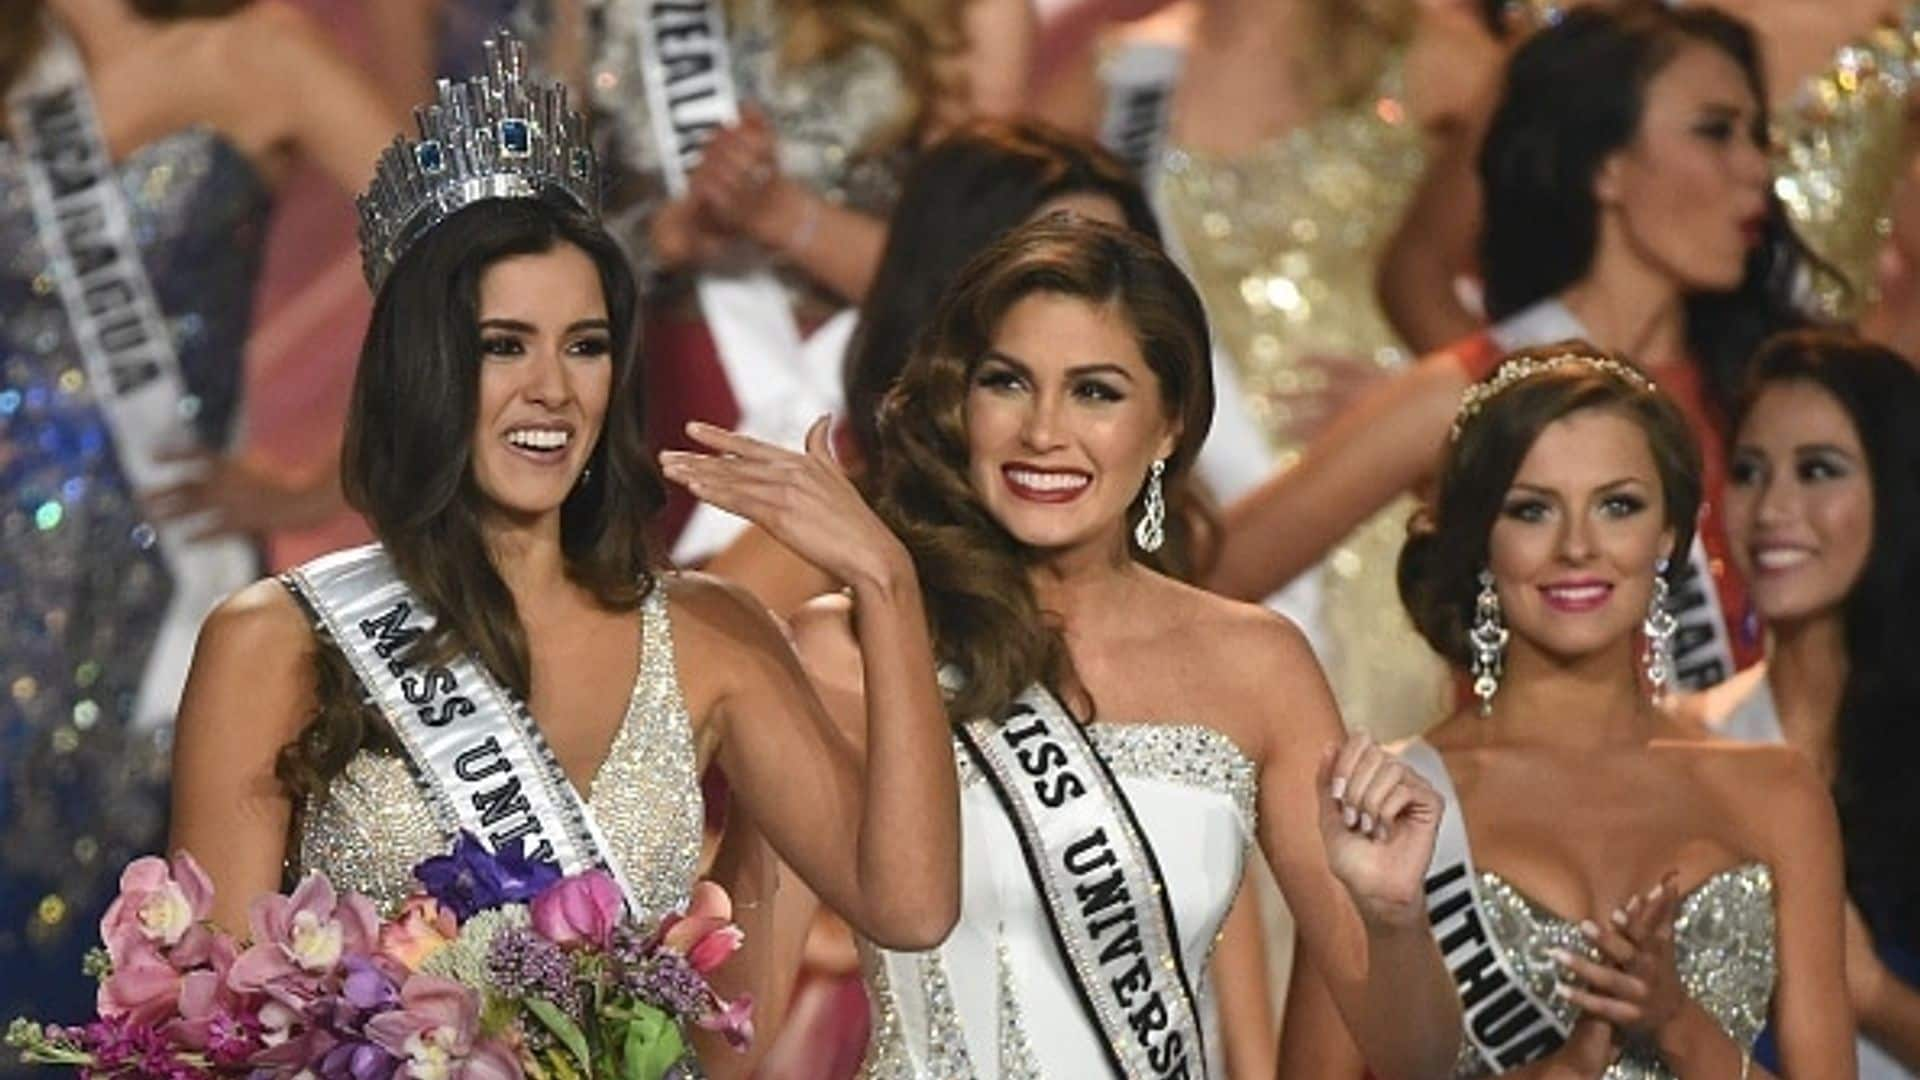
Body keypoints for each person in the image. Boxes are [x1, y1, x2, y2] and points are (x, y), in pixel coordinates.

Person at [167, 38, 962, 1072]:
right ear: (426, 364)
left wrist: (886, 583)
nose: (553, 386)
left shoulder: (712, 634)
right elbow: (216, 1034)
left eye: (584, 345)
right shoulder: (277, 641)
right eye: (505, 344)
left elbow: (908, 904)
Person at [663, 217, 1465, 1079]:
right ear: (961, 404)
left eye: (1096, 392)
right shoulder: (844, 648)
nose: (1044, 432)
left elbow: (1414, 1058)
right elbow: (725, 1039)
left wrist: (1393, 917)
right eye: (1008, 382)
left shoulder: (1257, 667)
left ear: (1167, 427)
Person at [1209, 2, 1817, 697]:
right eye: (1716, 132)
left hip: (1753, 799)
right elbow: (1209, 574)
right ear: (1606, 167)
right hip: (1523, 802)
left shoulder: (1770, 387)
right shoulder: (1471, 389)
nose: (1754, 169)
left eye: (1756, 135)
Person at [1278, 346, 1854, 1077]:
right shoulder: (1389, 805)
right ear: (1483, 541)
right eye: (1532, 509)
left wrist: (1680, 1028)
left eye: (1618, 506)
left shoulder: (1778, 794)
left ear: (1668, 536)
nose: (1578, 546)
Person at [0, 0, 396, 1033]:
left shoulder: (257, 51)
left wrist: (324, 479)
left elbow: (468, 254)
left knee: (144, 946)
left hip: (166, 583)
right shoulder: (18, 64)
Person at [583, 0, 1034, 563]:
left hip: (859, 392)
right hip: (666, 379)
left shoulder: (972, 12)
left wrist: (780, 214)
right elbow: (533, 211)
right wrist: (666, 236)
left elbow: (973, 267)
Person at [1383, 0, 1920, 355]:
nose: (1755, 168)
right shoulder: (1599, 23)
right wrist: (1528, 423)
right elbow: (1418, 272)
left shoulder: (1905, 38)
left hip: (1782, 463)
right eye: (1713, 130)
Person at [1684, 330, 1920, 1076]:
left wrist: (1874, 993)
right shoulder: (1680, 745)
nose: (1774, 507)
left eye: (1819, 470)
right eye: (1750, 471)